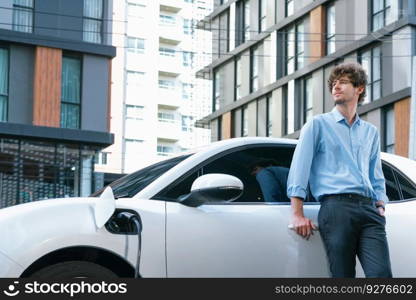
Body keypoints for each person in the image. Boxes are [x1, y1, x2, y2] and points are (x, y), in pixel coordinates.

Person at [286, 62, 392, 278]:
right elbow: (300, 167)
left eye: (343, 82)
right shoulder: (317, 125)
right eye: (333, 83)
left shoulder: (370, 132)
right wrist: (297, 213)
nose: (336, 87)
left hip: (369, 210)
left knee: (382, 276)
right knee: (343, 277)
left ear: (359, 88)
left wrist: (380, 203)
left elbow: (375, 173)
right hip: (336, 208)